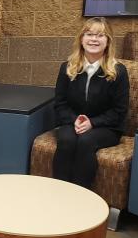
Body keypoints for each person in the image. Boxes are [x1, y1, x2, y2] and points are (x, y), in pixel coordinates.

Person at [51, 17, 128, 189]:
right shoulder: (67, 67)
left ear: (108, 42)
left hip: (106, 127)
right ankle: (57, 192)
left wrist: (92, 123)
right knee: (67, 141)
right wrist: (75, 120)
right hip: (72, 122)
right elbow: (60, 103)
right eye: (89, 34)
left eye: (100, 35)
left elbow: (119, 111)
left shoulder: (118, 72)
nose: (94, 39)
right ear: (81, 39)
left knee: (86, 141)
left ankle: (82, 195)